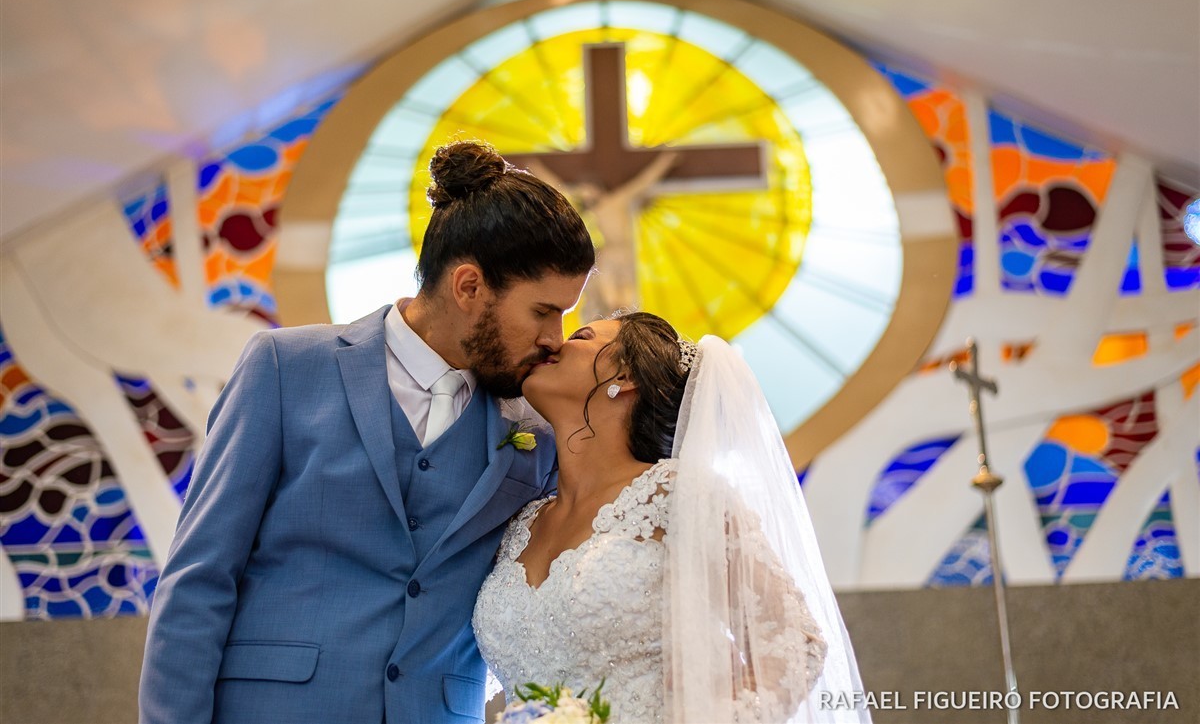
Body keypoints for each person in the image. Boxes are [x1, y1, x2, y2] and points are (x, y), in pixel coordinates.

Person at [140, 140, 595, 724]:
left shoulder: (535, 421)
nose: (556, 336)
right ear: (468, 287)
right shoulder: (285, 367)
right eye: (543, 311)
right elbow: (199, 577)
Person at [473, 312, 871, 724]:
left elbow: (795, 640)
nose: (553, 343)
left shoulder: (678, 494)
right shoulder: (521, 523)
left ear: (625, 376)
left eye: (582, 336)